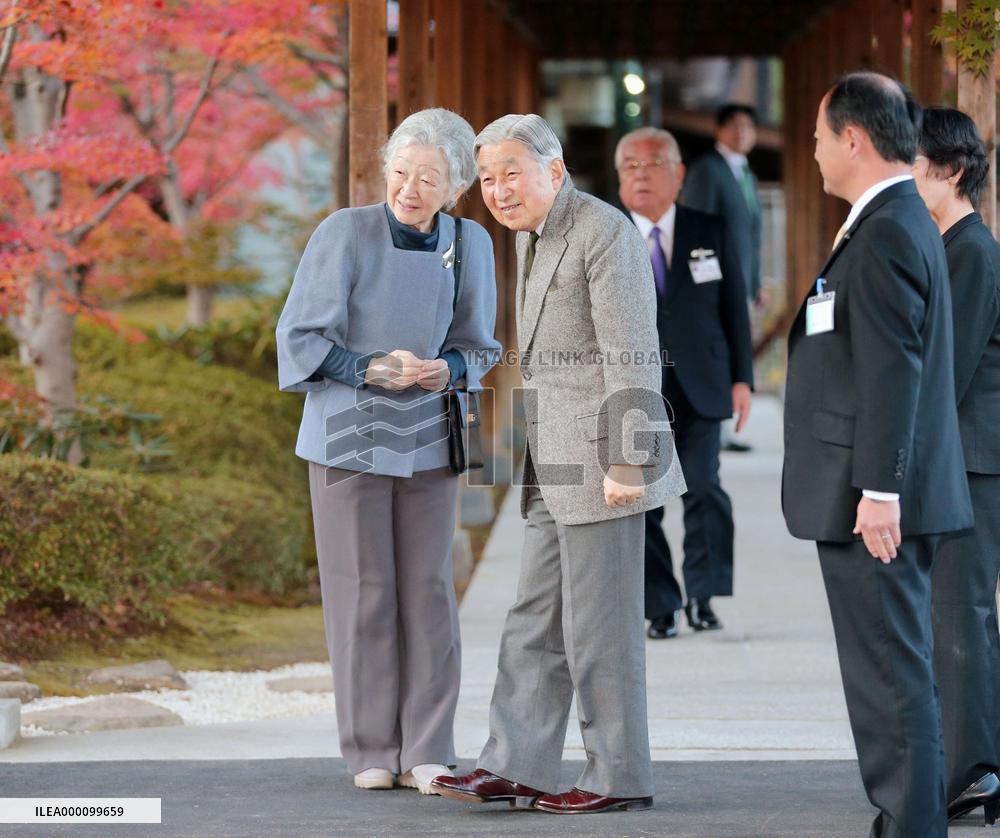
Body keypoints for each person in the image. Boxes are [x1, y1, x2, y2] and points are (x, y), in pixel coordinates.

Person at [432, 114, 686, 814]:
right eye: (487, 178)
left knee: (600, 627)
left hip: (607, 463)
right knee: (534, 617)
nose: (499, 189)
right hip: (552, 459)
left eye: (511, 172)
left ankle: (617, 775)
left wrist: (627, 462)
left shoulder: (605, 232)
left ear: (554, 168)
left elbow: (631, 351)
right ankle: (517, 764)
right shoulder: (530, 237)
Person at [275, 108, 500, 795]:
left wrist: (449, 371)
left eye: (428, 177)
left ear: (455, 185)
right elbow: (300, 339)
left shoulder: (471, 242)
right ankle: (371, 746)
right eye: (401, 172)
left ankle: (428, 747)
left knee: (430, 593)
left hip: (428, 434)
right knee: (363, 594)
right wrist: (369, 368)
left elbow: (480, 345)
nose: (409, 187)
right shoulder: (344, 233)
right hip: (347, 432)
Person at [782, 72, 972, 837]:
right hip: (871, 492)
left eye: (822, 138)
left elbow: (897, 367)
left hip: (877, 503)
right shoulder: (890, 219)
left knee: (891, 678)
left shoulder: (890, 226)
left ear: (854, 139)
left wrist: (880, 491)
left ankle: (911, 824)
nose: (817, 152)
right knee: (891, 672)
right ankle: (905, 819)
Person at [615, 127, 753, 639]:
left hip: (704, 381)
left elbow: (733, 306)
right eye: (630, 164)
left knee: (704, 489)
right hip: (634, 388)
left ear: (678, 174)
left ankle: (704, 594)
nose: (641, 173)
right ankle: (660, 605)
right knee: (642, 498)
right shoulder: (607, 233)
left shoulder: (708, 229)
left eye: (652, 163)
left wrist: (743, 378)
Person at [912, 105, 1000, 826]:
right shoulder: (951, 245)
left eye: (914, 163)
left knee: (961, 616)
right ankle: (968, 763)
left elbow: (949, 369)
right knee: (953, 615)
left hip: (972, 463)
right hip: (962, 460)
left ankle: (977, 769)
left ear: (954, 169)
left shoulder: (970, 250)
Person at [683, 103, 762, 453]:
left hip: (740, 277)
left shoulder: (747, 174)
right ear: (718, 131)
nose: (742, 133)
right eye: (734, 126)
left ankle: (729, 422)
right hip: (715, 280)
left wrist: (755, 281)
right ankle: (717, 423)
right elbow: (698, 227)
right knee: (719, 350)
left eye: (748, 127)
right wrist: (706, 281)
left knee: (737, 349)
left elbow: (753, 233)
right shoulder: (706, 170)